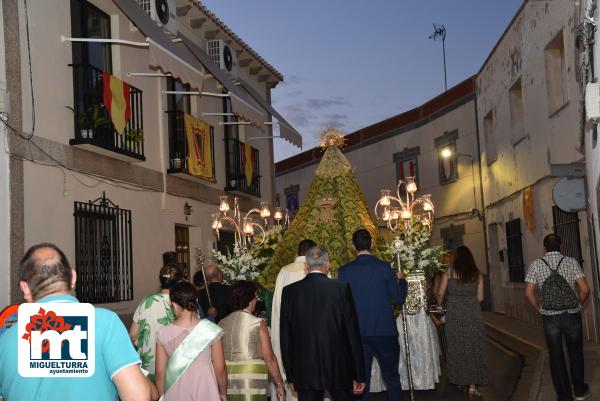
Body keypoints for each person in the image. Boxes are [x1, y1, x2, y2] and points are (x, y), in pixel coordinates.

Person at [0, 243, 155, 401]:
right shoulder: (105, 323)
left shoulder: (4, 341)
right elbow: (139, 397)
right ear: (73, 277)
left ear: (25, 288)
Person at [281, 246, 365, 401]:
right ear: (327, 264)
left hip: (304, 369)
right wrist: (359, 374)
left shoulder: (289, 292)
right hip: (338, 367)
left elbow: (285, 338)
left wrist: (291, 376)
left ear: (306, 266)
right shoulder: (341, 289)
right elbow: (352, 334)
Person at [339, 229, 407, 401]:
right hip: (385, 330)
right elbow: (398, 298)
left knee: (363, 379)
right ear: (372, 244)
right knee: (391, 377)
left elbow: (342, 305)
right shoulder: (384, 267)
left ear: (353, 246)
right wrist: (402, 281)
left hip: (359, 333)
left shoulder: (345, 271)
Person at [525, 234, 592, 401]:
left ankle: (564, 396)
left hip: (550, 317)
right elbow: (585, 290)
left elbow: (528, 293)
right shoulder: (571, 262)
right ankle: (579, 391)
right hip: (571, 314)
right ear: (561, 247)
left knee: (556, 355)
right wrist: (578, 304)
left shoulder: (536, 265)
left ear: (545, 248)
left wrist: (539, 309)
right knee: (575, 352)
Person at [155, 281, 227, 401]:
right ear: (197, 302)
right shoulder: (211, 330)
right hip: (205, 386)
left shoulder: (162, 332)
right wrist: (223, 392)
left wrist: (162, 396)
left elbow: (160, 372)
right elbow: (220, 368)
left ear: (174, 305)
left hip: (176, 389)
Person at [435, 245, 489, 398]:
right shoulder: (477, 274)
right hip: (473, 314)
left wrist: (440, 307)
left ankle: (462, 380)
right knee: (473, 347)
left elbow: (440, 294)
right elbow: (480, 298)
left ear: (456, 259)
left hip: (455, 315)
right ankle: (472, 386)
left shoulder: (449, 272)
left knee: (458, 348)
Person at [220, 280, 286, 401]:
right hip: (251, 377)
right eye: (255, 297)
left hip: (227, 377)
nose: (256, 300)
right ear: (249, 300)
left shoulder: (221, 323)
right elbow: (269, 357)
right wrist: (279, 383)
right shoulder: (257, 323)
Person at [271, 238, 317, 401]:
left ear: (297, 252)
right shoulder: (318, 269)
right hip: (314, 333)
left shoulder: (284, 271)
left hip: (290, 330)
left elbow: (277, 305)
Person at [129, 263, 183, 381]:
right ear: (179, 282)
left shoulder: (146, 302)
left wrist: (146, 344)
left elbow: (133, 335)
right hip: (175, 364)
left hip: (149, 365)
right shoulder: (183, 304)